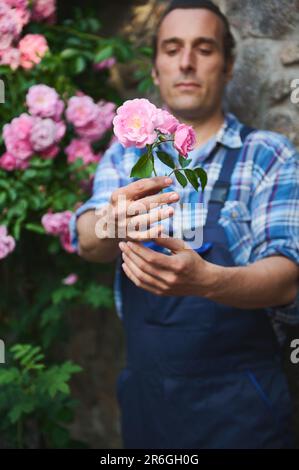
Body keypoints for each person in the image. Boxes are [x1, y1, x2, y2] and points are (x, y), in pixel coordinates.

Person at [69, 0, 299, 449]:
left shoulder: (268, 155)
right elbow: (86, 241)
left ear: (229, 65)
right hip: (149, 411)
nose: (187, 62)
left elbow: (288, 279)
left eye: (204, 48)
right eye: (172, 49)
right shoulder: (127, 157)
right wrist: (111, 223)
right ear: (155, 69)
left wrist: (208, 282)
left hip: (243, 412)